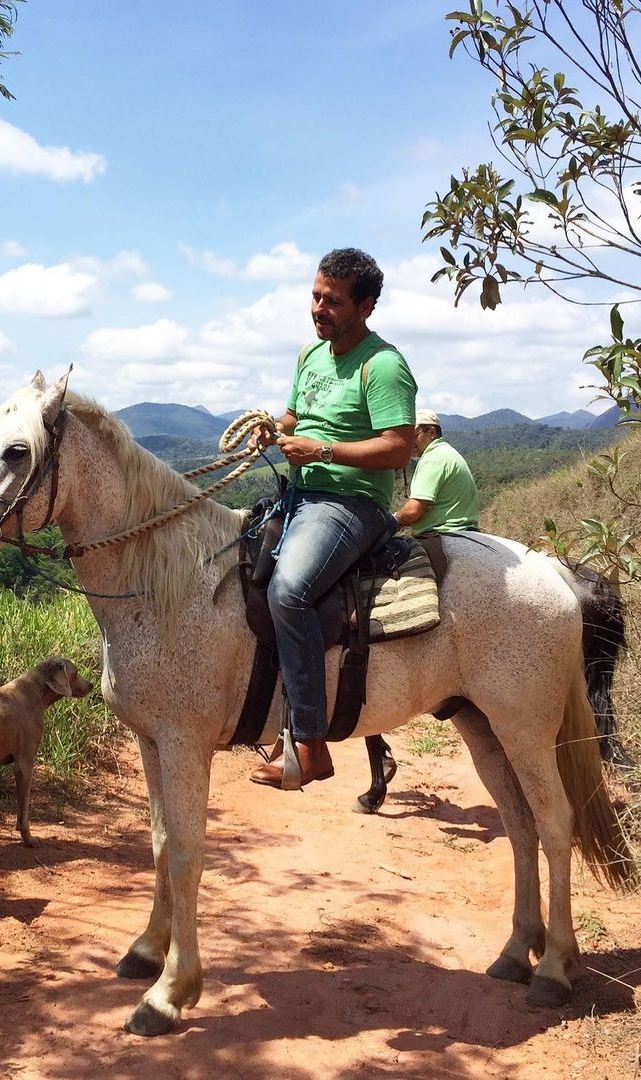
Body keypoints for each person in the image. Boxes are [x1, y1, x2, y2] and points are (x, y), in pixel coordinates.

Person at [250, 248, 417, 790]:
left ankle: (311, 744)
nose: (319, 308)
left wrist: (321, 451)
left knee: (288, 591)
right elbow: (297, 413)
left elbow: (396, 449)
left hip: (350, 504)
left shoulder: (383, 364)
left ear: (365, 306)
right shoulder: (310, 355)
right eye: (316, 296)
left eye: (333, 301)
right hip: (298, 495)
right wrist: (272, 427)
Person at [394, 409, 479, 535]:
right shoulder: (445, 452)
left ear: (432, 432)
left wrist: (394, 519)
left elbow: (413, 510)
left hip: (444, 532)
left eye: (413, 436)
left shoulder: (433, 458)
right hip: (465, 531)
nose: (409, 442)